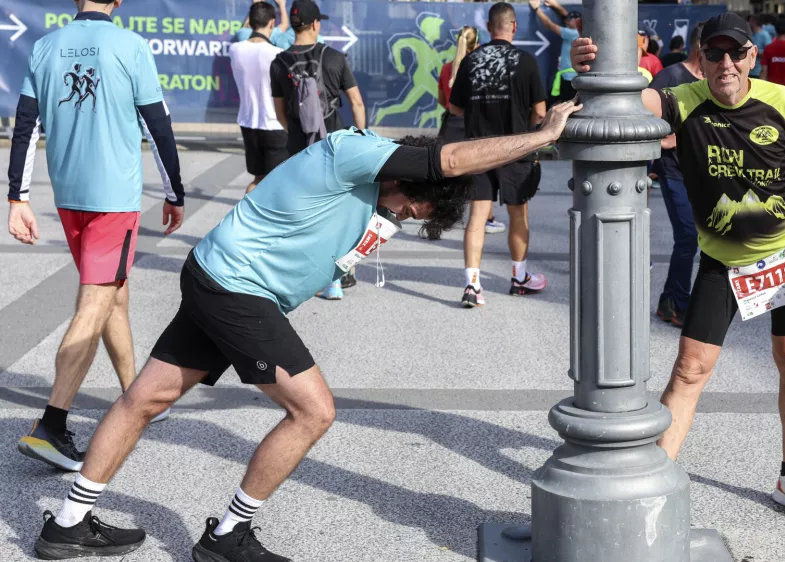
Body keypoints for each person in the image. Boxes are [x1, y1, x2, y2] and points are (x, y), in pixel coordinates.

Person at [29, 99, 583, 562]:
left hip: (217, 276)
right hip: (237, 291)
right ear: (409, 175)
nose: (410, 214)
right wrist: (542, 135)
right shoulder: (355, 153)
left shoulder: (368, 190)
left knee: (144, 399)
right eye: (415, 204)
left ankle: (68, 524)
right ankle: (227, 537)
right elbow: (455, 158)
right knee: (313, 411)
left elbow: (336, 245)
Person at [573, 12, 785, 520]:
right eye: (713, 54)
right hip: (722, 261)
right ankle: (653, 486)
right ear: (700, 58)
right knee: (690, 369)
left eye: (735, 53)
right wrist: (587, 68)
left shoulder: (781, 101)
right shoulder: (682, 102)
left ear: (751, 56)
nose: (725, 64)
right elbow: (619, 102)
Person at [7, 0, 184, 473]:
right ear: (119, 1)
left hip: (68, 195)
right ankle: (52, 424)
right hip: (113, 198)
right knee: (96, 300)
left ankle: (139, 397)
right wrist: (174, 192)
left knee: (113, 296)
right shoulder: (130, 45)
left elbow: (26, 124)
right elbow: (157, 124)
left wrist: (18, 198)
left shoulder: (46, 46)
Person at [451, 2, 548, 307]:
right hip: (515, 149)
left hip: (477, 150)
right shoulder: (527, 61)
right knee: (518, 214)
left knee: (477, 218)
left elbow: (454, 108)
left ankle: (472, 286)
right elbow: (540, 112)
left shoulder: (470, 61)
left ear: (489, 27)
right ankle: (519, 278)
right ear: (513, 26)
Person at [271, 0, 366, 300]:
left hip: (300, 147)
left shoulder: (279, 62)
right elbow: (356, 103)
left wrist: (297, 134)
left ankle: (304, 276)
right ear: (315, 25)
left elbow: (280, 112)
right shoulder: (335, 58)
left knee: (303, 212)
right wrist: (360, 138)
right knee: (339, 210)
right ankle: (336, 279)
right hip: (335, 145)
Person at [648, 22, 704, 327]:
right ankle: (679, 304)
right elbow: (640, 120)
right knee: (687, 237)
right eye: (715, 51)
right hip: (673, 170)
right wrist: (666, 140)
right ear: (700, 48)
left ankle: (668, 302)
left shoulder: (712, 81)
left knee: (698, 239)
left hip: (703, 173)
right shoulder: (670, 76)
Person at [437, 27, 505, 237]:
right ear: (476, 45)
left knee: (446, 174)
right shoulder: (479, 67)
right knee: (483, 171)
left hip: (450, 123)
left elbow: (442, 100)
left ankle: (440, 217)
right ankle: (488, 219)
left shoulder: (447, 68)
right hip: (474, 123)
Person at [230, 1, 288, 195]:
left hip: (248, 124)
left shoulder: (235, 50)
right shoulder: (277, 54)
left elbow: (243, 30)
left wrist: (255, 9)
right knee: (278, 185)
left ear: (251, 21)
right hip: (275, 126)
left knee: (258, 180)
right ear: (272, 23)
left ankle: (246, 222)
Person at [529, 0, 581, 105]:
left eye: (571, 19)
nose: (567, 20)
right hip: (569, 77)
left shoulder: (572, 33)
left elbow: (549, 24)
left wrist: (536, 9)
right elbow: (566, 17)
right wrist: (556, 6)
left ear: (577, 21)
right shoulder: (577, 31)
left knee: (563, 104)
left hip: (569, 79)